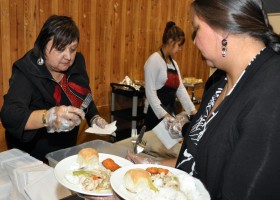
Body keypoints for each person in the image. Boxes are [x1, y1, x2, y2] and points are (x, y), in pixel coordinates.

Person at [128, 0, 280, 199]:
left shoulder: (271, 89)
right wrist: (151, 169)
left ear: (222, 26)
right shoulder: (218, 87)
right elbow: (195, 163)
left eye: (196, 29)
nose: (194, 41)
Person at [0, 15, 109, 162]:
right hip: (32, 159)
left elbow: (83, 96)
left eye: (73, 49)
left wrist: (94, 117)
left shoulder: (77, 62)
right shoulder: (26, 70)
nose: (68, 56)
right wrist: (48, 117)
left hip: (65, 152)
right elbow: (10, 116)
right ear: (43, 45)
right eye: (60, 49)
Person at [144, 21, 197, 131]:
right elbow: (150, 94)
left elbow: (181, 90)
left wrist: (193, 112)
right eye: (179, 45)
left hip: (170, 112)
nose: (180, 49)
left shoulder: (174, 64)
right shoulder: (154, 60)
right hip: (155, 115)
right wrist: (166, 116)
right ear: (170, 41)